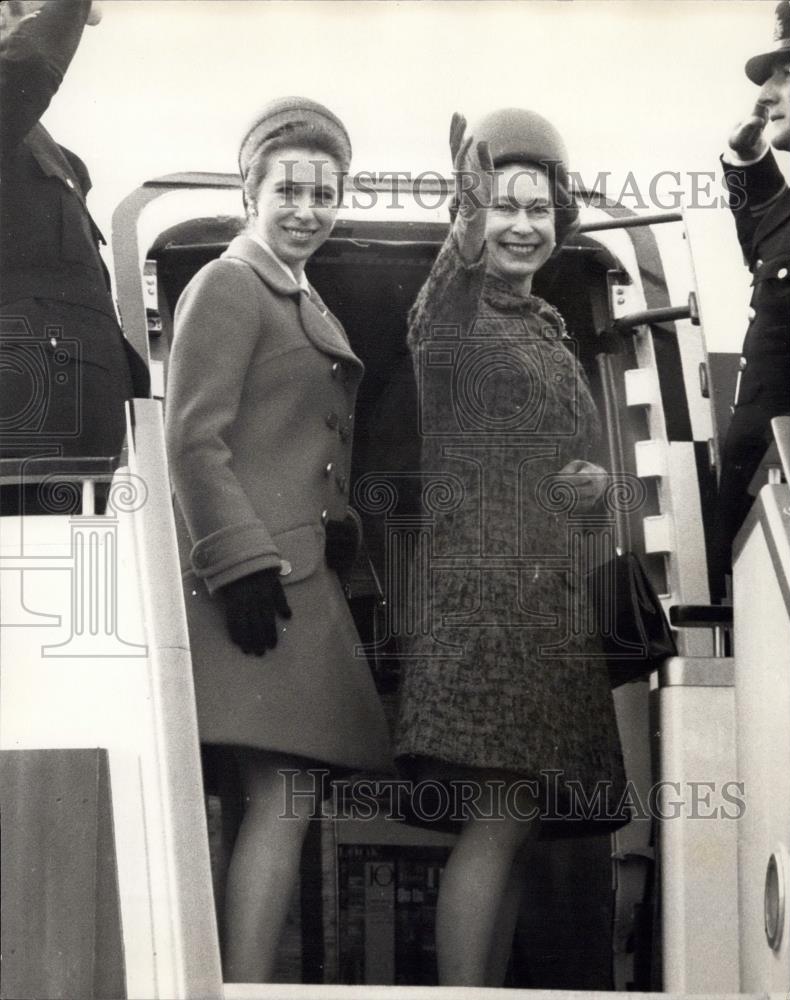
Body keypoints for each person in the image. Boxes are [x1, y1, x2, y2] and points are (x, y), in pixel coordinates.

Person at [393, 109, 627, 987]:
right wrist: (464, 203)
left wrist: (589, 492)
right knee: (496, 820)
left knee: (516, 824)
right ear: (472, 216)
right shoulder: (451, 314)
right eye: (503, 206)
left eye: (540, 208)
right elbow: (448, 286)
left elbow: (571, 473)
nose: (524, 224)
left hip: (547, 609)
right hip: (486, 608)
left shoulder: (549, 330)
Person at [165, 97, 393, 983]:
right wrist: (240, 564)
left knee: (276, 797)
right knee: (283, 794)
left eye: (325, 191)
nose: (307, 206)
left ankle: (237, 980)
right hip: (260, 582)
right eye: (289, 188)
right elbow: (192, 437)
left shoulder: (300, 293)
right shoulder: (230, 283)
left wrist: (343, 539)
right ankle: (243, 984)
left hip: (299, 576)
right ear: (249, 189)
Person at [0, 0, 149, 512]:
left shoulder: (44, 149)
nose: (11, 18)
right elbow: (27, 67)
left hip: (81, 442)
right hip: (24, 439)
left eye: (19, 8)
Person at [716, 0, 790, 579]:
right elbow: (770, 243)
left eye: (787, 74)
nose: (764, 95)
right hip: (762, 519)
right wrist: (749, 160)